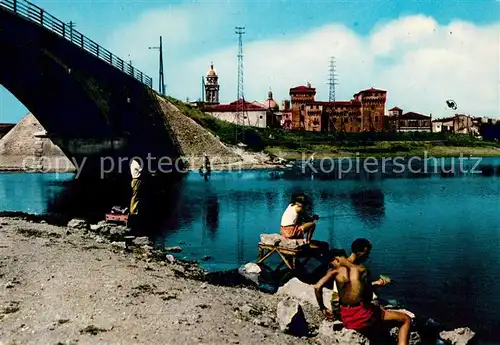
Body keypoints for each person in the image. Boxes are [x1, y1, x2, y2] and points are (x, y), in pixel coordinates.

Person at [313, 238, 411, 345]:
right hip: (362, 316)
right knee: (405, 319)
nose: (367, 257)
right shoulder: (362, 270)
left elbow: (317, 287)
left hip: (345, 316)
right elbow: (367, 297)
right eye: (367, 254)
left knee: (378, 310)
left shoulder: (335, 270)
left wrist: (322, 308)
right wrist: (377, 287)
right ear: (360, 253)